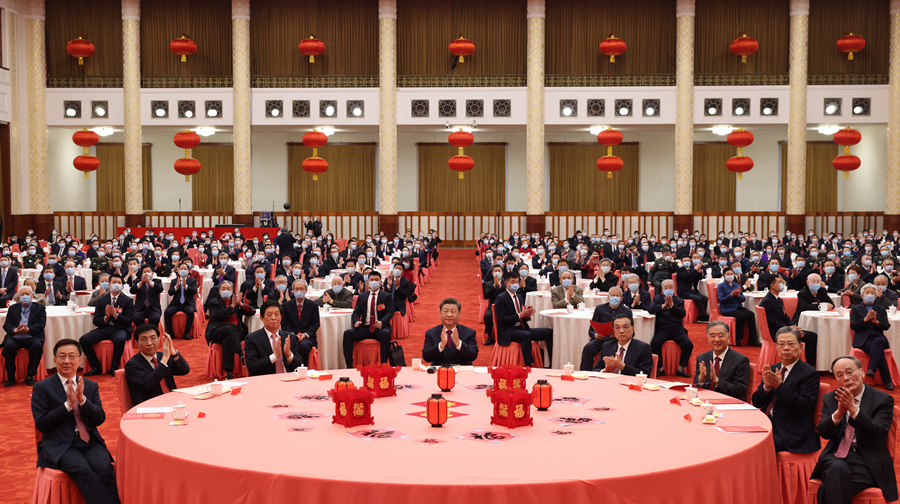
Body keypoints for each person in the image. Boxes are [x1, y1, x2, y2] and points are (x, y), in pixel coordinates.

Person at [31, 339, 120, 504]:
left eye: (71, 356)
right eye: (62, 356)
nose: (67, 361)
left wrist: (83, 401)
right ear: (54, 360)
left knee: (104, 468)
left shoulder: (90, 386)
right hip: (60, 444)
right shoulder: (42, 387)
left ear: (80, 360)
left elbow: (99, 418)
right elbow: (42, 423)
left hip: (90, 441)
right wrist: (67, 405)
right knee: (82, 469)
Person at [812, 355, 898, 504]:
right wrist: (838, 414)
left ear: (862, 372)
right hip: (835, 455)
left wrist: (854, 410)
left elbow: (877, 431)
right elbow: (824, 433)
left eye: (849, 372)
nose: (845, 378)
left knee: (831, 482)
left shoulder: (882, 399)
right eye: (840, 375)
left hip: (867, 459)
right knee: (836, 468)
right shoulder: (831, 398)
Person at [751, 327, 821, 454]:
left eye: (791, 344)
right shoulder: (773, 369)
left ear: (800, 347)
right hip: (766, 423)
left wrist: (780, 386)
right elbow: (756, 402)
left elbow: (804, 405)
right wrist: (767, 387)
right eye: (781, 344)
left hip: (791, 430)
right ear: (777, 348)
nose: (786, 348)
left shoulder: (809, 374)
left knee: (759, 448)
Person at [494, 271, 553, 368]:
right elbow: (503, 319)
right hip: (509, 330)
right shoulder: (501, 298)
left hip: (522, 328)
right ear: (506, 283)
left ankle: (550, 363)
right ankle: (528, 365)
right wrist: (520, 315)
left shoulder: (519, 296)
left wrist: (527, 314)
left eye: (517, 282)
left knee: (549, 332)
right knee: (526, 335)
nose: (515, 284)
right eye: (513, 282)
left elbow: (522, 316)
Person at [759, 275, 818, 366]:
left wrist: (793, 327)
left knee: (811, 335)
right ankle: (810, 365)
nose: (782, 284)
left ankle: (808, 363)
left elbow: (785, 317)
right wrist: (789, 329)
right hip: (776, 332)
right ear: (772, 286)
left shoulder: (778, 299)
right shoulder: (768, 301)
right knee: (812, 337)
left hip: (784, 329)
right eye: (779, 282)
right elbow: (772, 322)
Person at [124, 325, 190, 406]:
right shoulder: (132, 365)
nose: (149, 343)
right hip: (150, 406)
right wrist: (164, 360)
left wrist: (173, 352)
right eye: (144, 339)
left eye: (153, 338)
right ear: (137, 343)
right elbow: (149, 383)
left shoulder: (162, 356)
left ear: (159, 340)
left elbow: (184, 370)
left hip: (172, 401)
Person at [81, 275, 134, 376]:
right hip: (104, 328)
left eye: (119, 282)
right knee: (84, 340)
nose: (116, 285)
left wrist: (115, 315)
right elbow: (96, 321)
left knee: (119, 339)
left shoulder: (128, 301)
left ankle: (114, 366)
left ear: (122, 285)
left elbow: (128, 321)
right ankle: (96, 366)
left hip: (120, 328)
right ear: (109, 285)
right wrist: (106, 317)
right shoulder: (101, 300)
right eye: (114, 282)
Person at [342, 271, 394, 368]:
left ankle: (383, 363)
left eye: (376, 280)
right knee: (347, 334)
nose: (374, 282)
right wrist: (356, 321)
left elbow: (390, 312)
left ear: (380, 282)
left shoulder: (386, 296)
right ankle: (349, 365)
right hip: (365, 327)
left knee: (386, 334)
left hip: (380, 328)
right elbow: (356, 312)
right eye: (371, 280)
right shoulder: (362, 296)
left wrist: (382, 322)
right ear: (368, 282)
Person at [205, 282, 254, 380]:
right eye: (223, 289)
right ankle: (240, 353)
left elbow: (252, 312)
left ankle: (228, 372)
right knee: (228, 329)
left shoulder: (236, 301)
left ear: (232, 291)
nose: (226, 291)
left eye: (228, 289)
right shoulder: (213, 302)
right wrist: (231, 307)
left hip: (236, 331)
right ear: (219, 291)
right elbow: (216, 316)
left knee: (227, 339)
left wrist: (242, 305)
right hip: (217, 330)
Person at [850, 284, 894, 390]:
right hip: (863, 339)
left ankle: (872, 369)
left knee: (878, 341)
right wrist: (865, 320)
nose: (870, 295)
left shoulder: (881, 308)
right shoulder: (856, 309)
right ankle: (887, 381)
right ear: (862, 295)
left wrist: (876, 322)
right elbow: (853, 326)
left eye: (872, 293)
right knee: (879, 352)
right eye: (867, 293)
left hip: (878, 336)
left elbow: (886, 326)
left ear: (875, 296)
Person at [693, 321, 751, 399]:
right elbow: (695, 388)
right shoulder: (702, 358)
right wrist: (701, 380)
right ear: (708, 338)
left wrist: (717, 381)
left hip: (727, 402)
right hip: (704, 401)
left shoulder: (741, 360)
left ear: (728, 337)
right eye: (712, 336)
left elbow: (740, 391)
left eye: (720, 335)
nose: (717, 339)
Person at [647, 279, 692, 377]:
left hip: (677, 329)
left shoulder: (679, 300)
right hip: (662, 329)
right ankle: (660, 368)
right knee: (655, 343)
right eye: (666, 288)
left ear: (674, 288)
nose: (668, 289)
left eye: (670, 287)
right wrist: (663, 306)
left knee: (688, 344)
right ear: (662, 289)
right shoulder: (657, 299)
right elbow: (650, 309)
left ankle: (681, 368)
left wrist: (672, 305)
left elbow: (682, 314)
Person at [2, 286, 46, 386]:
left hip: (32, 336)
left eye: (27, 294)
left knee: (37, 346)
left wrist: (28, 329)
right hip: (15, 337)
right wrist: (15, 330)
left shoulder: (40, 308)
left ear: (32, 295)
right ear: (19, 296)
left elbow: (41, 325)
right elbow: (7, 325)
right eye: (22, 294)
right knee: (8, 347)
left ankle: (30, 375)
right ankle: (11, 377)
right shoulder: (13, 308)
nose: (25, 296)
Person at [245, 300, 304, 375]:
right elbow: (252, 367)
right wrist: (274, 356)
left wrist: (289, 355)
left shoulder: (289, 337)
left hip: (288, 378)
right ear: (262, 318)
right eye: (269, 315)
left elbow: (300, 365)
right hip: (266, 379)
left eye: (276, 314)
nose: (273, 318)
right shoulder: (252, 339)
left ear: (281, 317)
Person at [580, 287, 631, 371]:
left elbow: (631, 332)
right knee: (588, 348)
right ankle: (585, 372)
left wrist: (619, 335)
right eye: (612, 295)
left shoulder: (627, 311)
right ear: (608, 297)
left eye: (617, 295)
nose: (614, 297)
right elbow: (591, 330)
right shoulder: (600, 309)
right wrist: (595, 335)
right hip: (601, 339)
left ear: (621, 298)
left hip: (617, 341)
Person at [422, 298, 479, 366]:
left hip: (462, 371)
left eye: (453, 311)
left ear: (459, 314)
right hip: (439, 371)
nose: (449, 315)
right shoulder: (431, 333)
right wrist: (441, 345)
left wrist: (459, 344)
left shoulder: (469, 332)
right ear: (440, 313)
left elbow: (473, 355)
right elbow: (426, 357)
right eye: (445, 311)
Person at [280, 279, 320, 366]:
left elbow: (315, 324)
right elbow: (284, 324)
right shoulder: (286, 306)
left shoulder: (313, 305)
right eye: (296, 289)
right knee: (285, 345)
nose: (299, 291)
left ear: (306, 290)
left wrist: (304, 335)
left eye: (301, 289)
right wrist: (292, 335)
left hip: (307, 337)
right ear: (293, 290)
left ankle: (302, 367)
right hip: (291, 336)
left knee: (303, 346)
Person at [717, 267, 758, 346]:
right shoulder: (721, 286)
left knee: (751, 314)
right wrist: (731, 295)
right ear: (724, 276)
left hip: (737, 306)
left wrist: (739, 295)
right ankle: (738, 338)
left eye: (731, 274)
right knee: (741, 316)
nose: (730, 276)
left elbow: (743, 299)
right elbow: (721, 300)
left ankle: (753, 339)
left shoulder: (736, 285)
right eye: (728, 274)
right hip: (727, 308)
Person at [164, 263, 198, 340]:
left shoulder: (192, 280)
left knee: (190, 312)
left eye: (185, 269)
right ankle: (171, 332)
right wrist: (176, 287)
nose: (183, 270)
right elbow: (170, 293)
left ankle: (186, 332)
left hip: (187, 303)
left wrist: (186, 287)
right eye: (181, 269)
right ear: (178, 271)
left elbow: (194, 291)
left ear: (188, 271)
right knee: (167, 312)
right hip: (176, 303)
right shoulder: (174, 281)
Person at [131, 264, 163, 333]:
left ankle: (152, 334)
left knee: (155, 318)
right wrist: (141, 282)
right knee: (136, 317)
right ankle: (142, 334)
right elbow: (132, 291)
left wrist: (149, 282)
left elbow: (160, 289)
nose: (146, 274)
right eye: (144, 272)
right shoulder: (138, 282)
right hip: (140, 308)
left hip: (153, 308)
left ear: (152, 273)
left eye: (148, 272)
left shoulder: (157, 281)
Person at [676, 253, 708, 321]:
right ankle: (703, 316)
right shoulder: (680, 270)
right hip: (684, 291)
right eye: (685, 261)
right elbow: (686, 277)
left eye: (688, 260)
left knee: (705, 298)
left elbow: (698, 278)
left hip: (692, 290)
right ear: (682, 262)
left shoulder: (691, 270)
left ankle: (701, 315)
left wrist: (698, 271)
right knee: (698, 299)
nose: (687, 262)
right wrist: (695, 270)